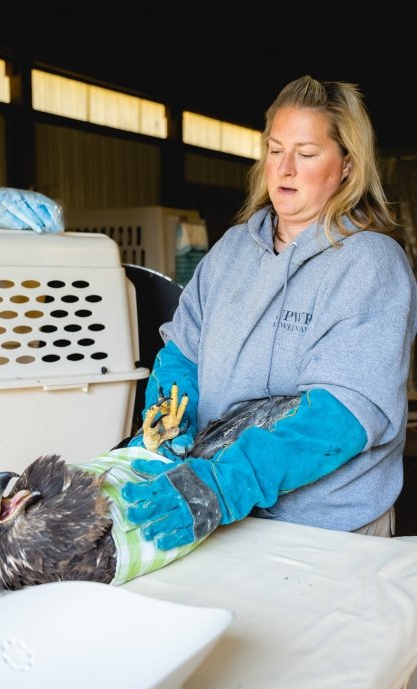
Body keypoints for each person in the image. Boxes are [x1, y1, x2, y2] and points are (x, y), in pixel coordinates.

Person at [120, 75, 417, 551]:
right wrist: (168, 422)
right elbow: (184, 352)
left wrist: (224, 485)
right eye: (275, 149)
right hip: (219, 516)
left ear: (346, 165)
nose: (285, 169)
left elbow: (341, 415)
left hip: (325, 532)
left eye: (306, 152)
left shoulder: (370, 264)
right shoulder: (233, 249)